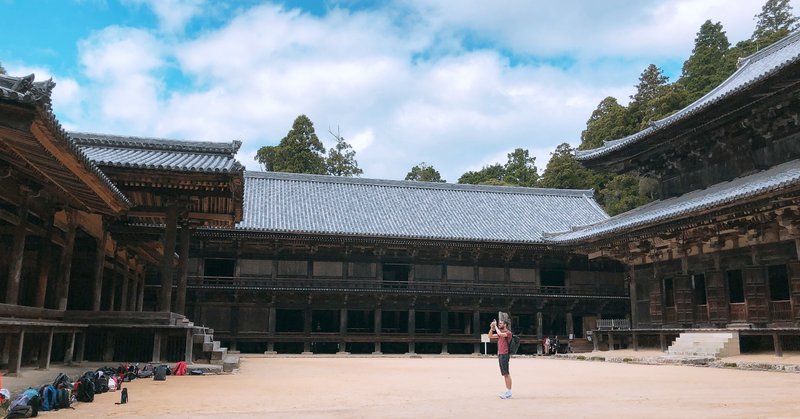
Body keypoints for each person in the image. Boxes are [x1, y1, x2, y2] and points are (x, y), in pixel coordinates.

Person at [489, 319, 513, 399]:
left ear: (505, 325)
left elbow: (499, 333)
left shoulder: (508, 333)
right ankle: (507, 390)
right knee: (504, 374)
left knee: (506, 373)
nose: (499, 324)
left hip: (505, 354)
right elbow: (490, 336)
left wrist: (495, 326)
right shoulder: (501, 334)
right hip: (500, 354)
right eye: (499, 323)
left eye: (501, 323)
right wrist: (492, 329)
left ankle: (509, 391)